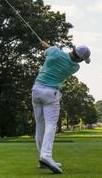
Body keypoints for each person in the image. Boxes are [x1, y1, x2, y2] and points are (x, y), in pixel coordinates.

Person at [32, 41, 91, 174]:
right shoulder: (74, 67)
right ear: (80, 60)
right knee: (51, 125)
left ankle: (42, 158)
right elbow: (59, 56)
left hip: (36, 90)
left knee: (40, 125)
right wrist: (50, 47)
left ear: (73, 49)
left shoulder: (54, 51)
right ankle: (46, 156)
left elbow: (47, 53)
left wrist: (49, 47)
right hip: (51, 93)